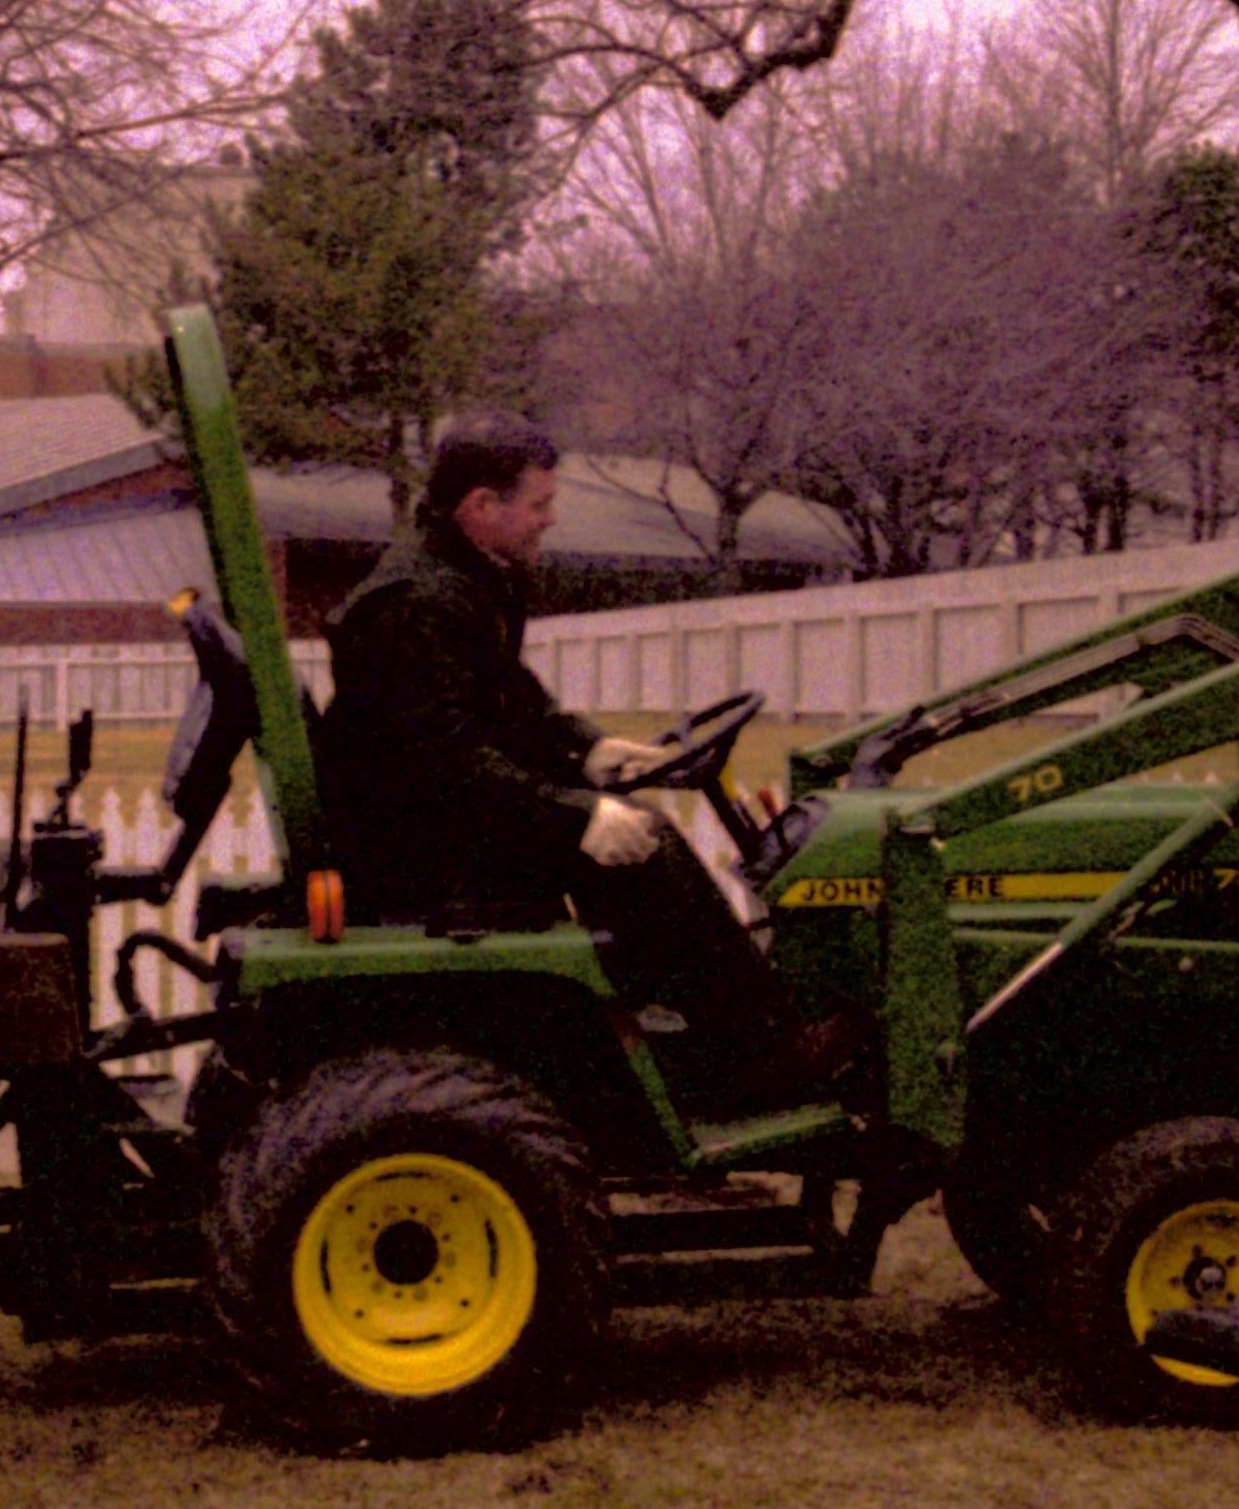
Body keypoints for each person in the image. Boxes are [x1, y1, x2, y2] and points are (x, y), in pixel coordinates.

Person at [318, 413, 857, 1112]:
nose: (550, 519)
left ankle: (702, 1037)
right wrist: (574, 814)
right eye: (539, 504)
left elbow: (507, 698)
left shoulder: (460, 579)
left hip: (422, 817)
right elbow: (440, 759)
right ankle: (757, 1054)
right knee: (643, 844)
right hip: (412, 844)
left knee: (636, 831)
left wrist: (586, 747)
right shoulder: (417, 603)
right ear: (482, 506)